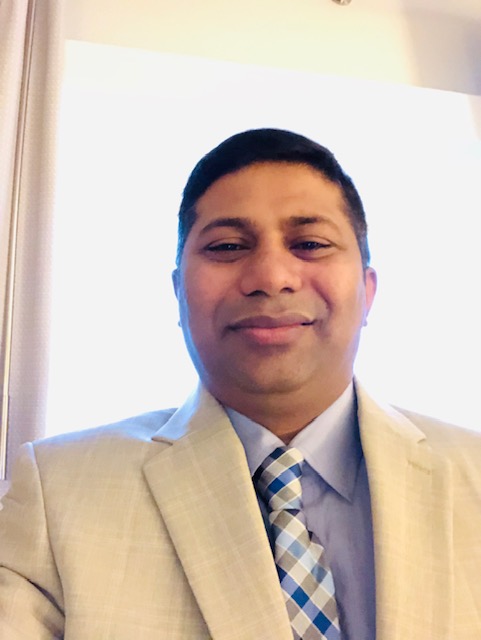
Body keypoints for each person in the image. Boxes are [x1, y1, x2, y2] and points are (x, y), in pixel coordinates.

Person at [0, 128, 480, 640]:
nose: (270, 277)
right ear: (178, 293)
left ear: (367, 290)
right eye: (228, 246)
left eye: (310, 244)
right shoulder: (59, 492)